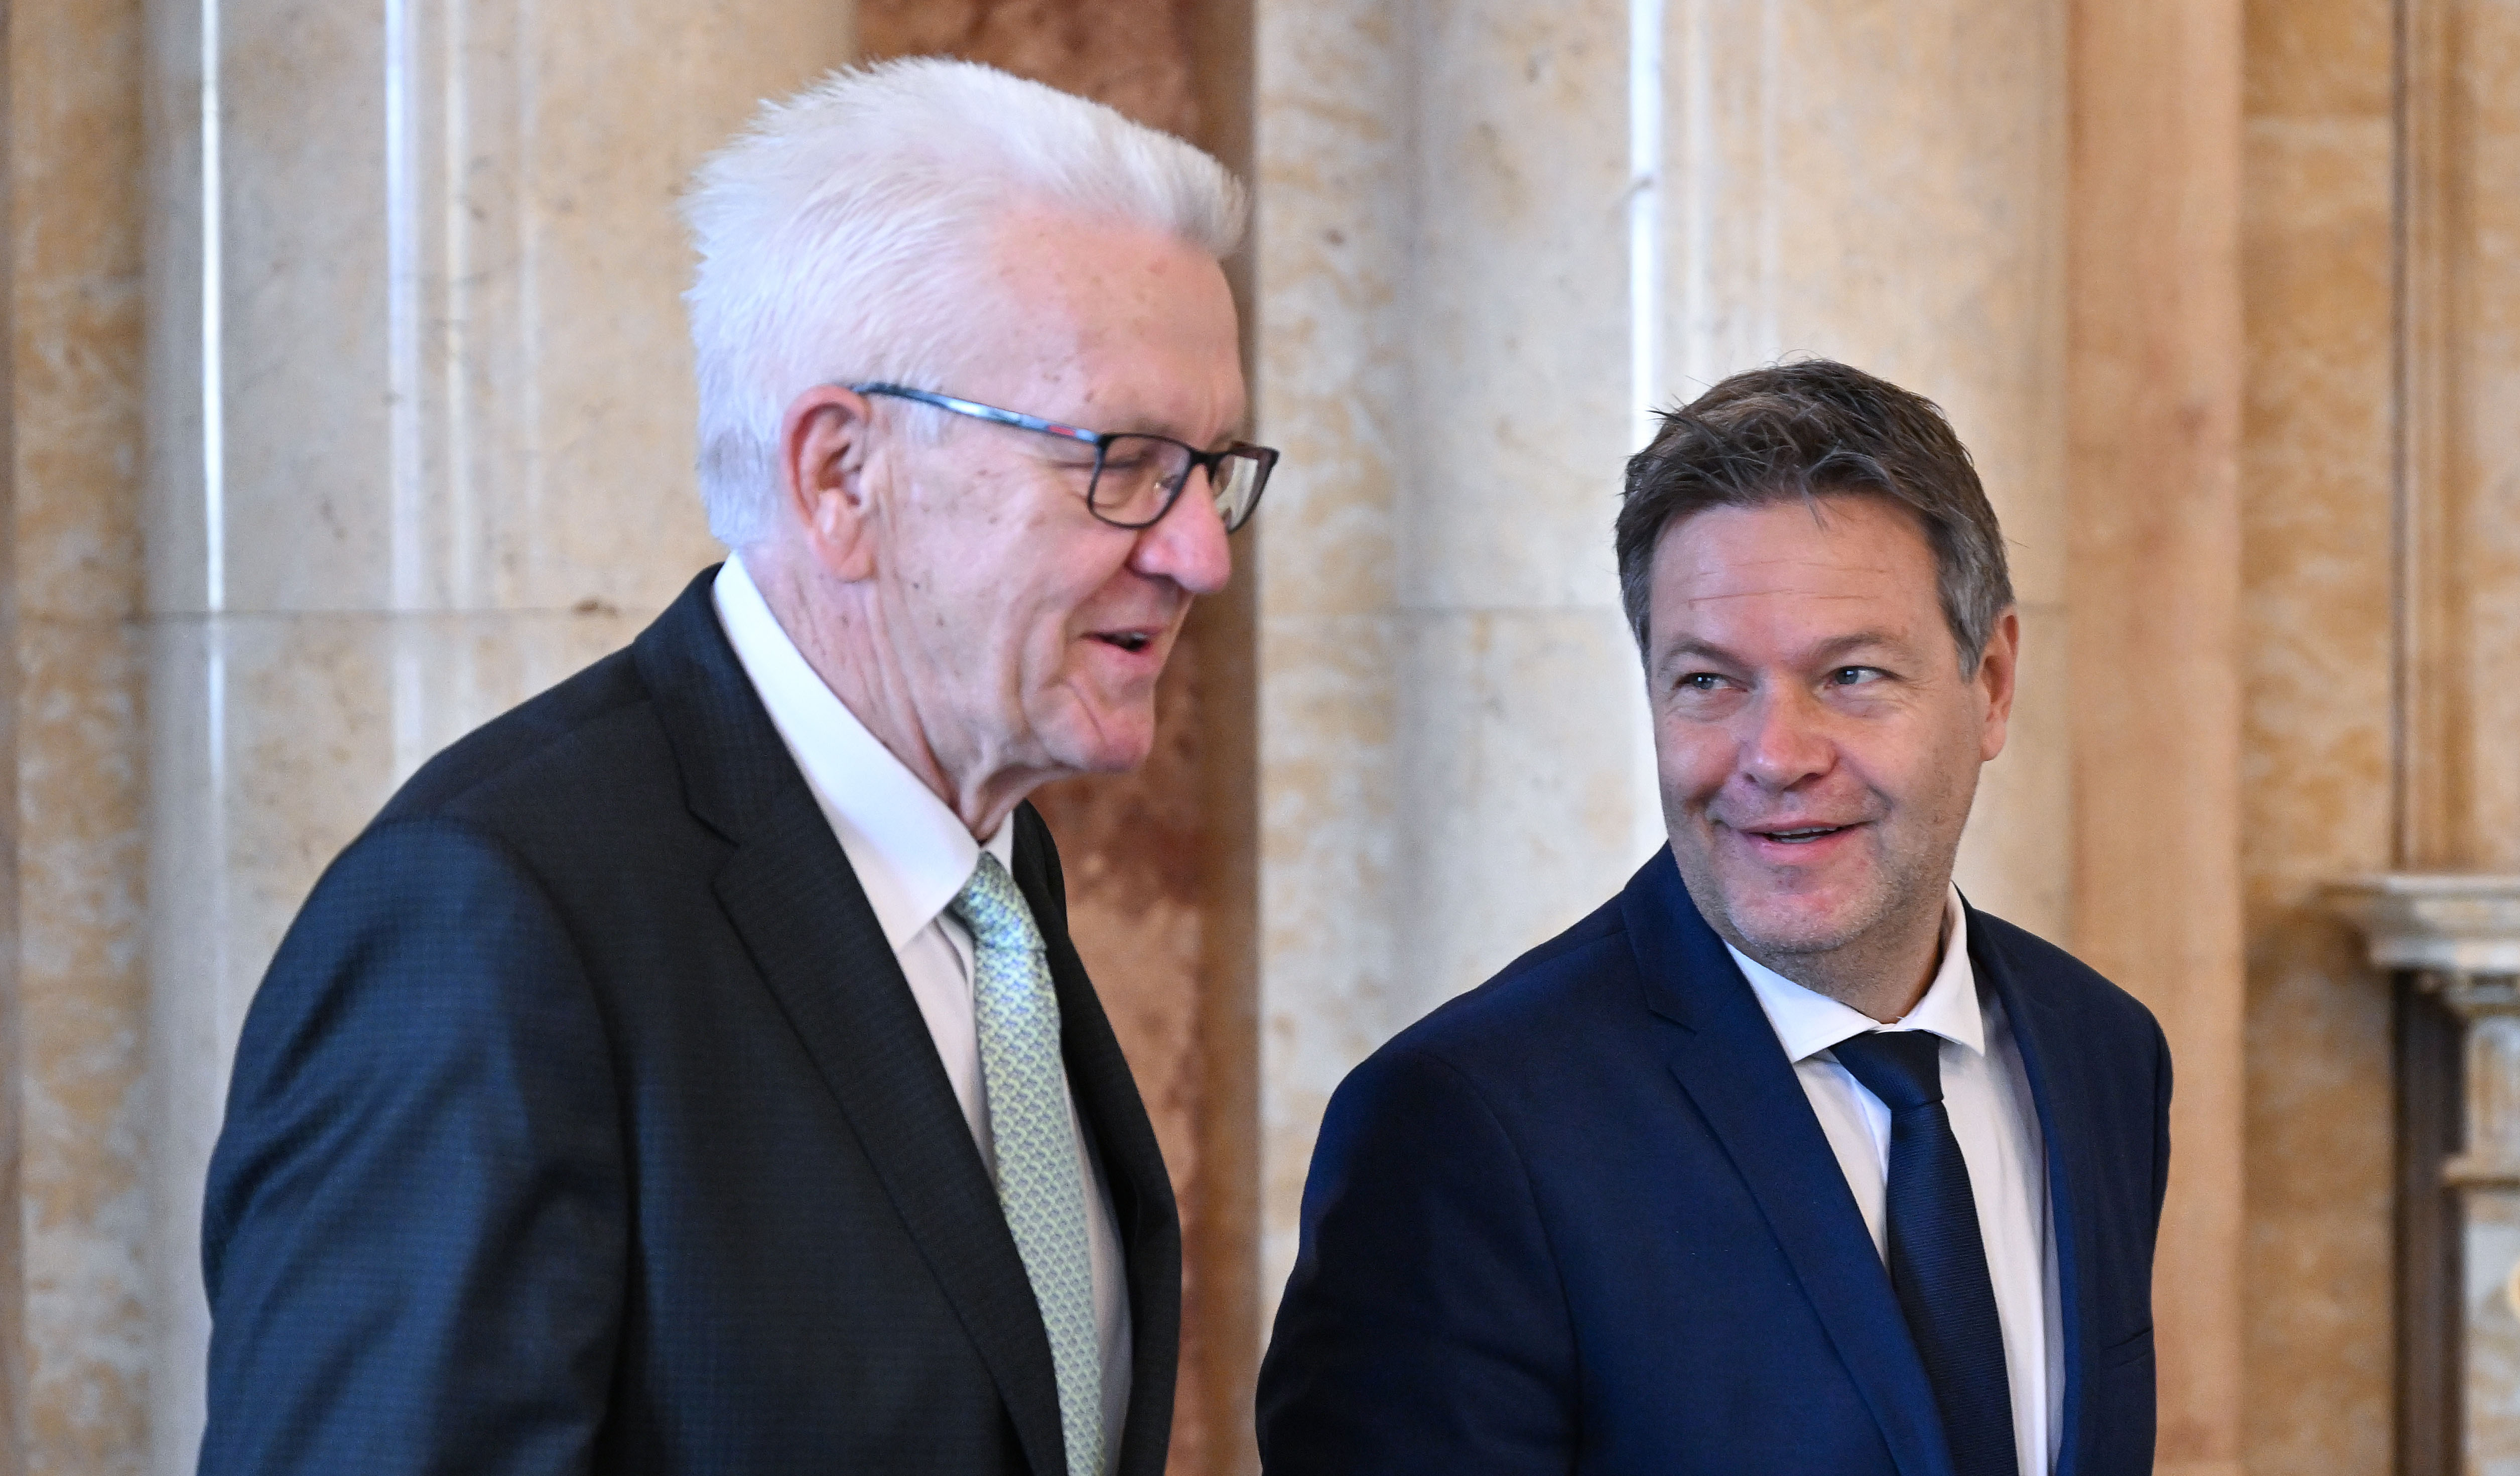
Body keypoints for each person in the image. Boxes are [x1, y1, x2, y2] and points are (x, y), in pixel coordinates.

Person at [199, 58, 1272, 1476]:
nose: (1201, 551)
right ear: (842, 475)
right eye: (1125, 461)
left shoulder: (992, 888)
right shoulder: (487, 924)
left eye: (1212, 467)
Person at [1255, 360, 2167, 1476]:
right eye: (1706, 683)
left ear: (1990, 682)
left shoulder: (2103, 1055)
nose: (1774, 756)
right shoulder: (1461, 1129)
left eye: (1850, 674)